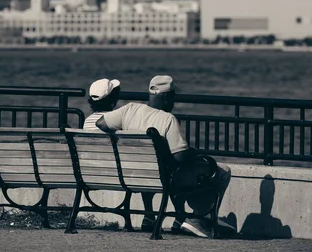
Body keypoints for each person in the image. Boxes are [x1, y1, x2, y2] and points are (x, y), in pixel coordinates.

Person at [95, 75, 231, 238]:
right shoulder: (168, 120)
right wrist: (193, 153)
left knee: (158, 165)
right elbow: (180, 158)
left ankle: (152, 215)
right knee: (221, 171)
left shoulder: (130, 109)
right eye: (173, 96)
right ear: (167, 97)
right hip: (164, 179)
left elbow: (101, 123)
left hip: (133, 175)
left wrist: (122, 135)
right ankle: (198, 219)